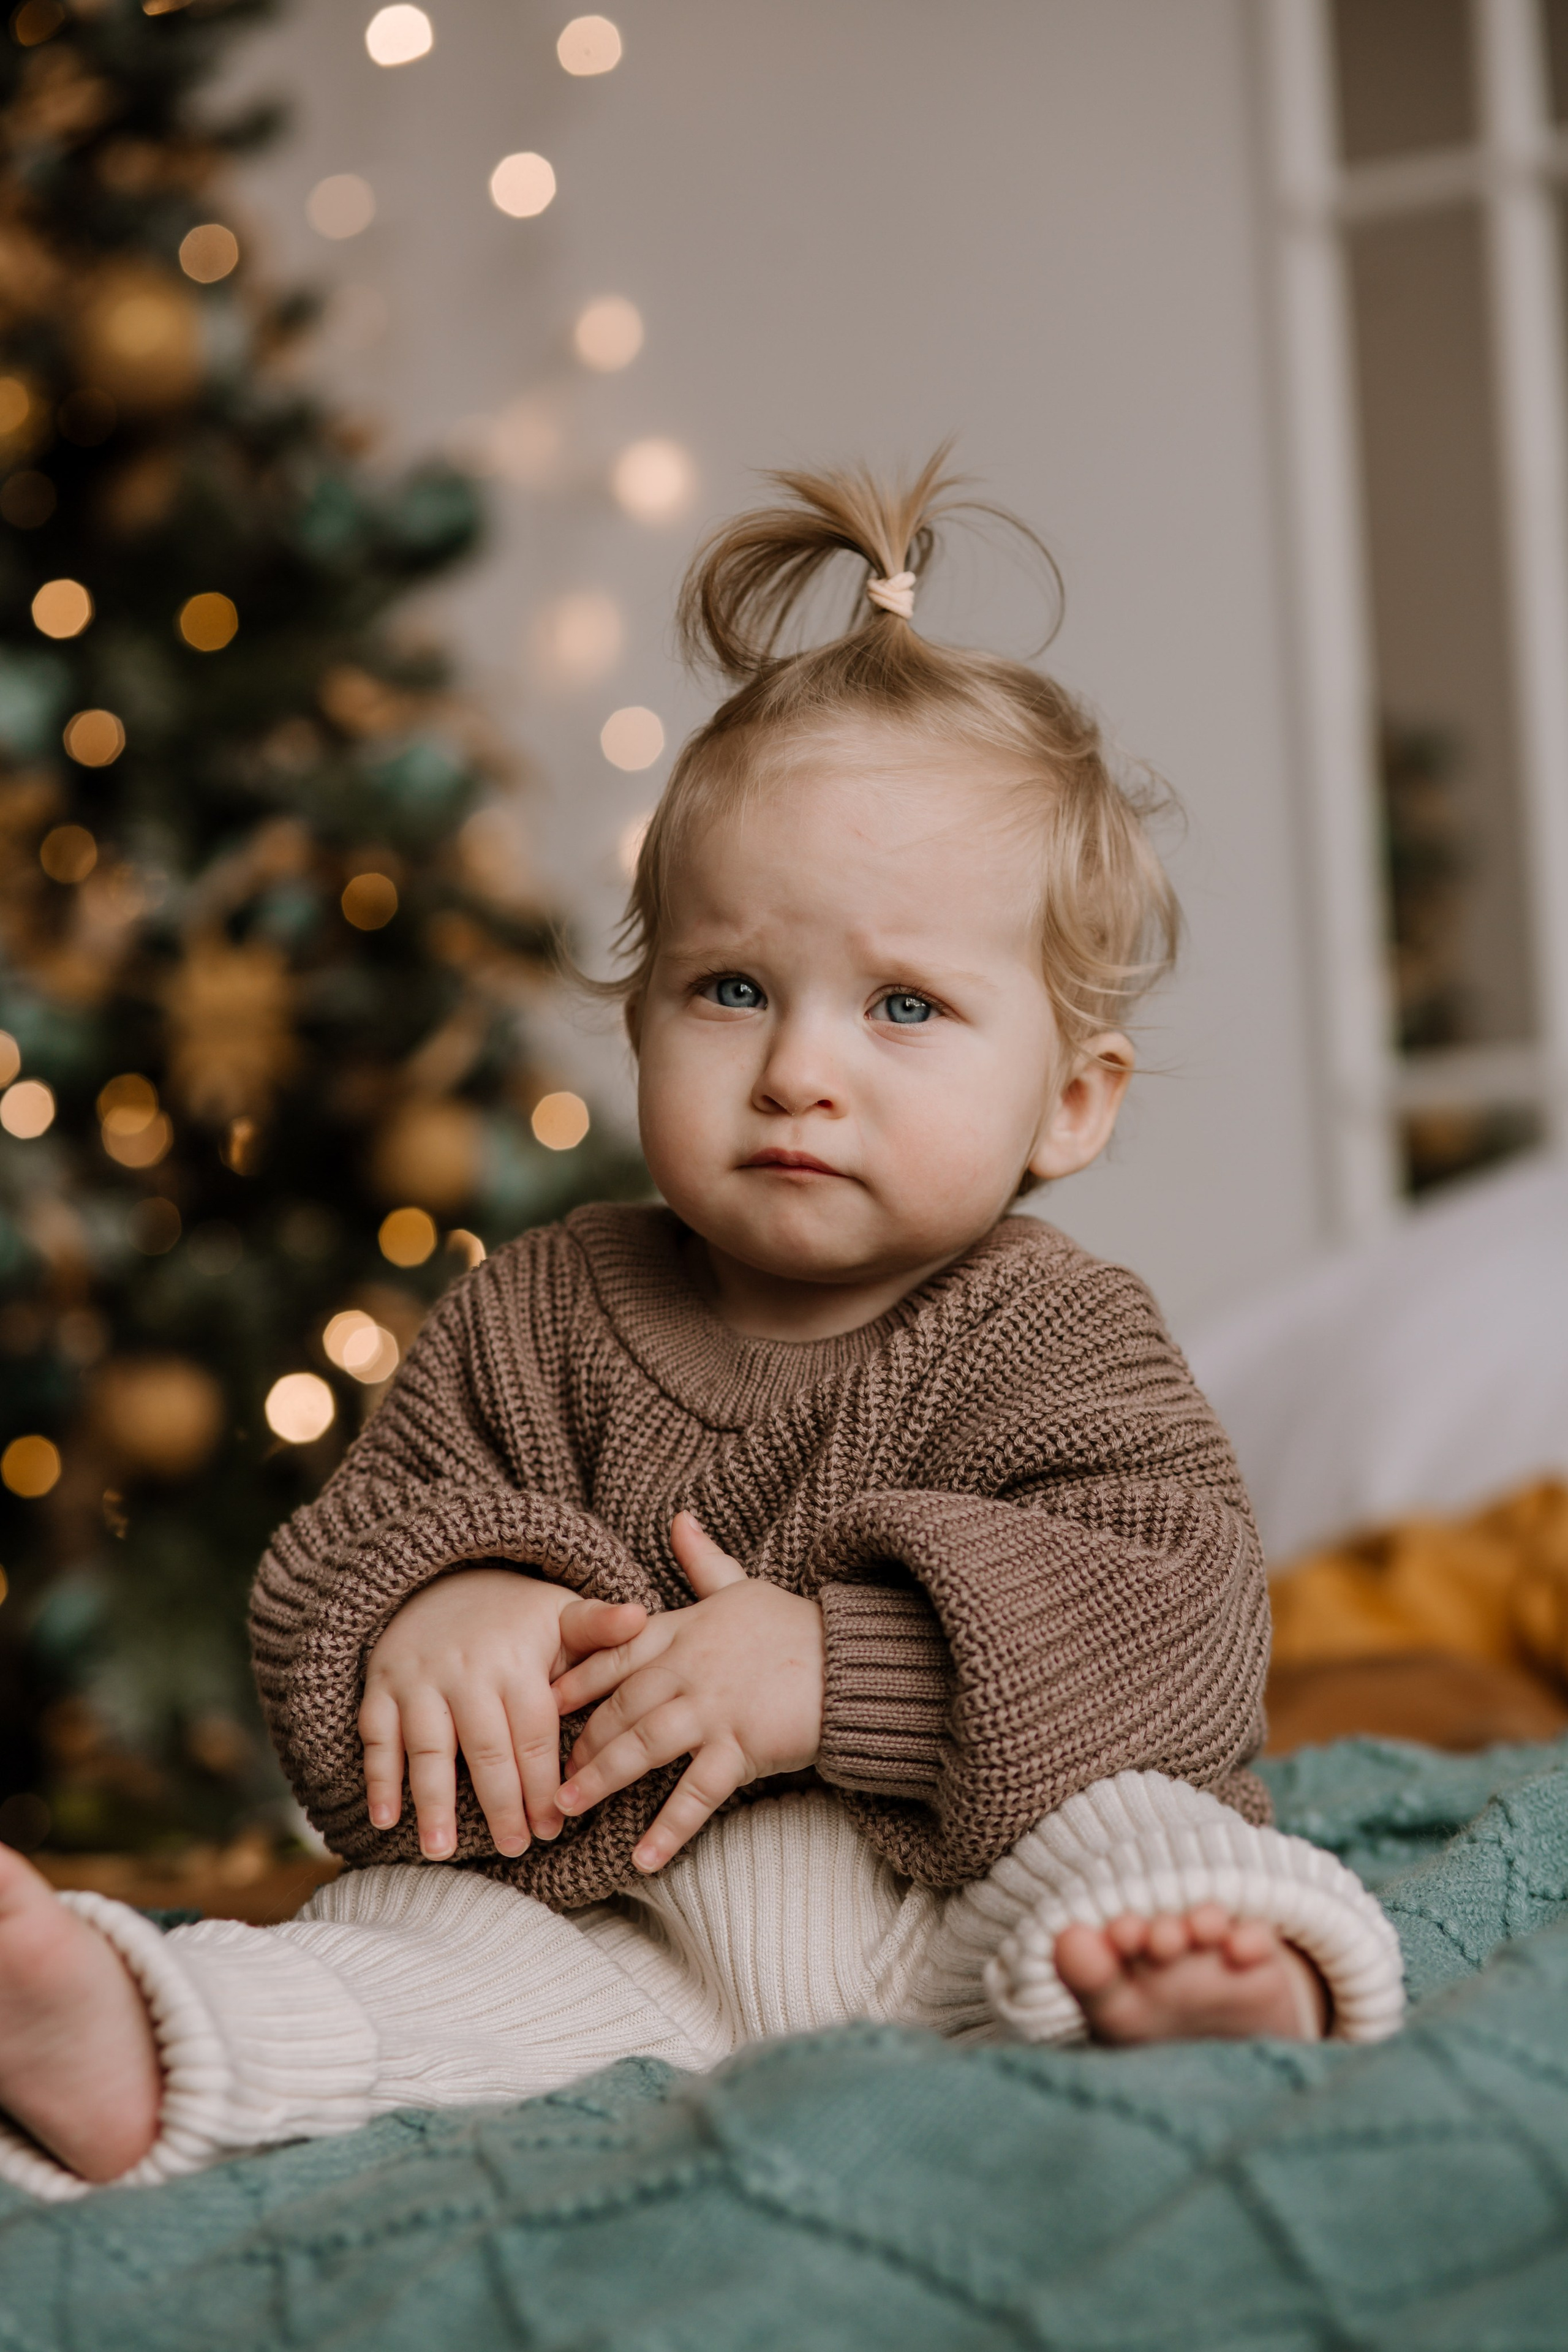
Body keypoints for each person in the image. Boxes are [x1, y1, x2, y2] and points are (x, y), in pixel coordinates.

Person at [0, 459, 1401, 2200]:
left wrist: (837, 1667)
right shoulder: (541, 1307)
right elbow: (331, 1577)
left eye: (905, 1006)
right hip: (613, 1943)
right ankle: (140, 2045)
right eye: (731, 988)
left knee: (1140, 1837)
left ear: (1074, 1101)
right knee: (388, 1961)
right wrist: (439, 1608)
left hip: (949, 1900)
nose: (800, 1068)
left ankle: (1203, 1996)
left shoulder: (1057, 1330)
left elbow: (1178, 1631)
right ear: (645, 1007)